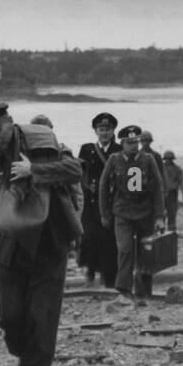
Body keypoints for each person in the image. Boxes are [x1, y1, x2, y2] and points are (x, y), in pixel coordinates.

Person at [0, 103, 82, 366]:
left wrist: (36, 171)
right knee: (8, 315)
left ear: (10, 123)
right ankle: (24, 353)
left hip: (49, 244)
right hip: (7, 248)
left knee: (42, 317)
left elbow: (75, 170)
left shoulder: (44, 142)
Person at [99, 125, 164, 303]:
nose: (134, 145)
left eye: (136, 141)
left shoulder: (148, 160)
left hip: (145, 212)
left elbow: (158, 188)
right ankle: (124, 289)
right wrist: (104, 214)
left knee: (146, 252)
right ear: (122, 143)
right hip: (122, 212)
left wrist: (159, 216)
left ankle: (143, 292)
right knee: (125, 248)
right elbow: (103, 187)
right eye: (130, 142)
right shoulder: (114, 160)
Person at [77, 113, 120, 287]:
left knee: (110, 240)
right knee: (90, 237)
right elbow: (79, 172)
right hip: (91, 201)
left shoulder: (118, 150)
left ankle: (108, 277)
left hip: (112, 201)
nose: (104, 133)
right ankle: (90, 271)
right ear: (95, 131)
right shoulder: (87, 149)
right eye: (101, 129)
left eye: (107, 129)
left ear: (113, 131)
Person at [161, 151, 183, 231]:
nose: (168, 161)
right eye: (167, 159)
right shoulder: (160, 168)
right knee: (160, 217)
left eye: (170, 159)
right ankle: (160, 236)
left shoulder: (177, 170)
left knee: (172, 216)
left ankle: (171, 235)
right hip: (162, 196)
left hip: (172, 195)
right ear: (164, 159)